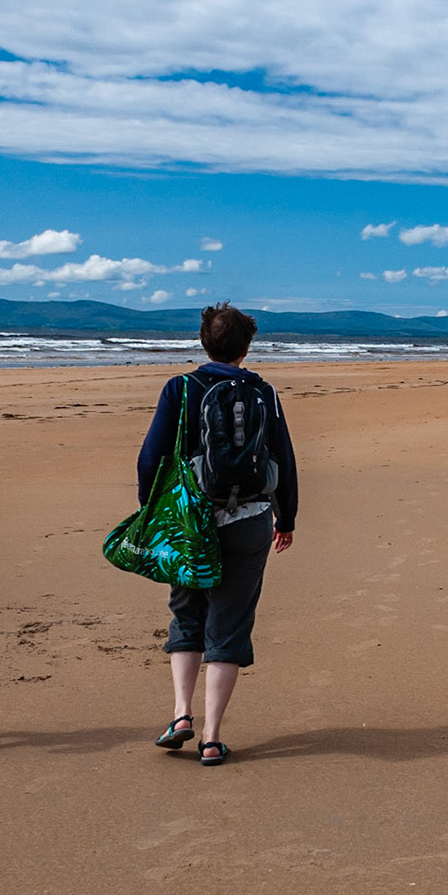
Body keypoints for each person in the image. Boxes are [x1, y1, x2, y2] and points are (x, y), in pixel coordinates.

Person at [137, 302, 297, 765]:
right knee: (229, 624)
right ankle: (211, 738)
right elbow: (283, 459)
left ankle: (181, 715)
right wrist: (285, 518)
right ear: (246, 347)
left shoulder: (181, 388)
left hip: (192, 519)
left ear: (203, 341)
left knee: (187, 612)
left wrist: (154, 513)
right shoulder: (263, 392)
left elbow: (152, 458)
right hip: (250, 518)